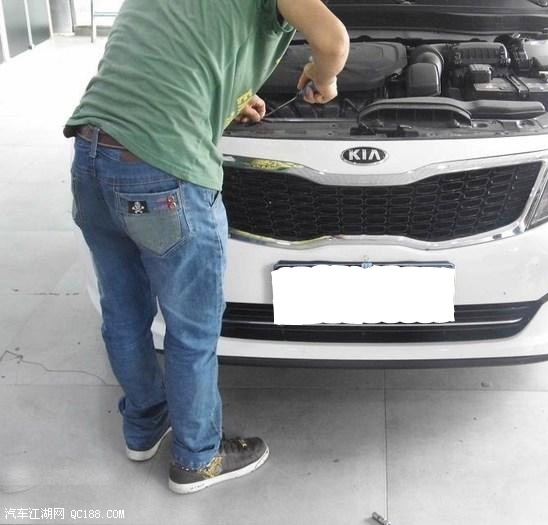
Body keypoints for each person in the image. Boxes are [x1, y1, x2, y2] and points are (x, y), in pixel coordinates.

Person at [64, 0, 349, 495]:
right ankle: (198, 457)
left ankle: (143, 426)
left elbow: (176, 48)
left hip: (91, 156)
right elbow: (333, 42)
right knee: (192, 328)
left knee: (124, 312)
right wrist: (325, 79)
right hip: (162, 171)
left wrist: (228, 98)